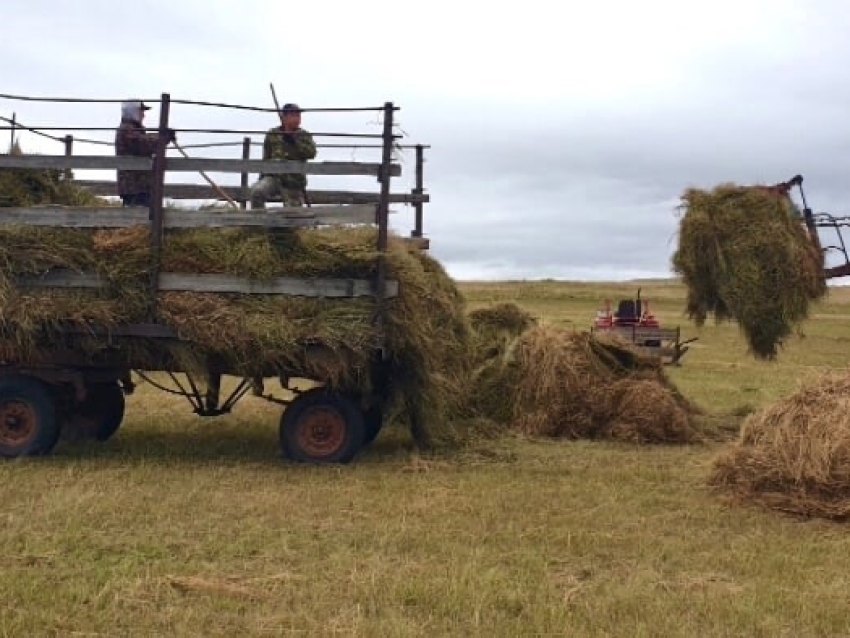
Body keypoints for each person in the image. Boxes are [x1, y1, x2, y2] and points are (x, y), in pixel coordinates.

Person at [250, 103, 317, 209]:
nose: (297, 119)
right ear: (284, 117)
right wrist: (262, 176)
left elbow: (311, 153)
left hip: (293, 181)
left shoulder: (304, 135)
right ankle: (258, 222)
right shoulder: (273, 134)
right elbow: (266, 157)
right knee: (257, 192)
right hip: (273, 177)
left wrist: (295, 141)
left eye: (298, 116)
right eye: (293, 115)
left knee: (292, 215)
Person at [114, 100, 176, 207]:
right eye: (141, 111)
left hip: (138, 185)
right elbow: (141, 144)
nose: (143, 114)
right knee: (138, 218)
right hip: (134, 186)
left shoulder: (132, 129)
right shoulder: (127, 129)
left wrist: (161, 136)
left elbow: (143, 141)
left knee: (142, 218)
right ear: (132, 111)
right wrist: (162, 137)